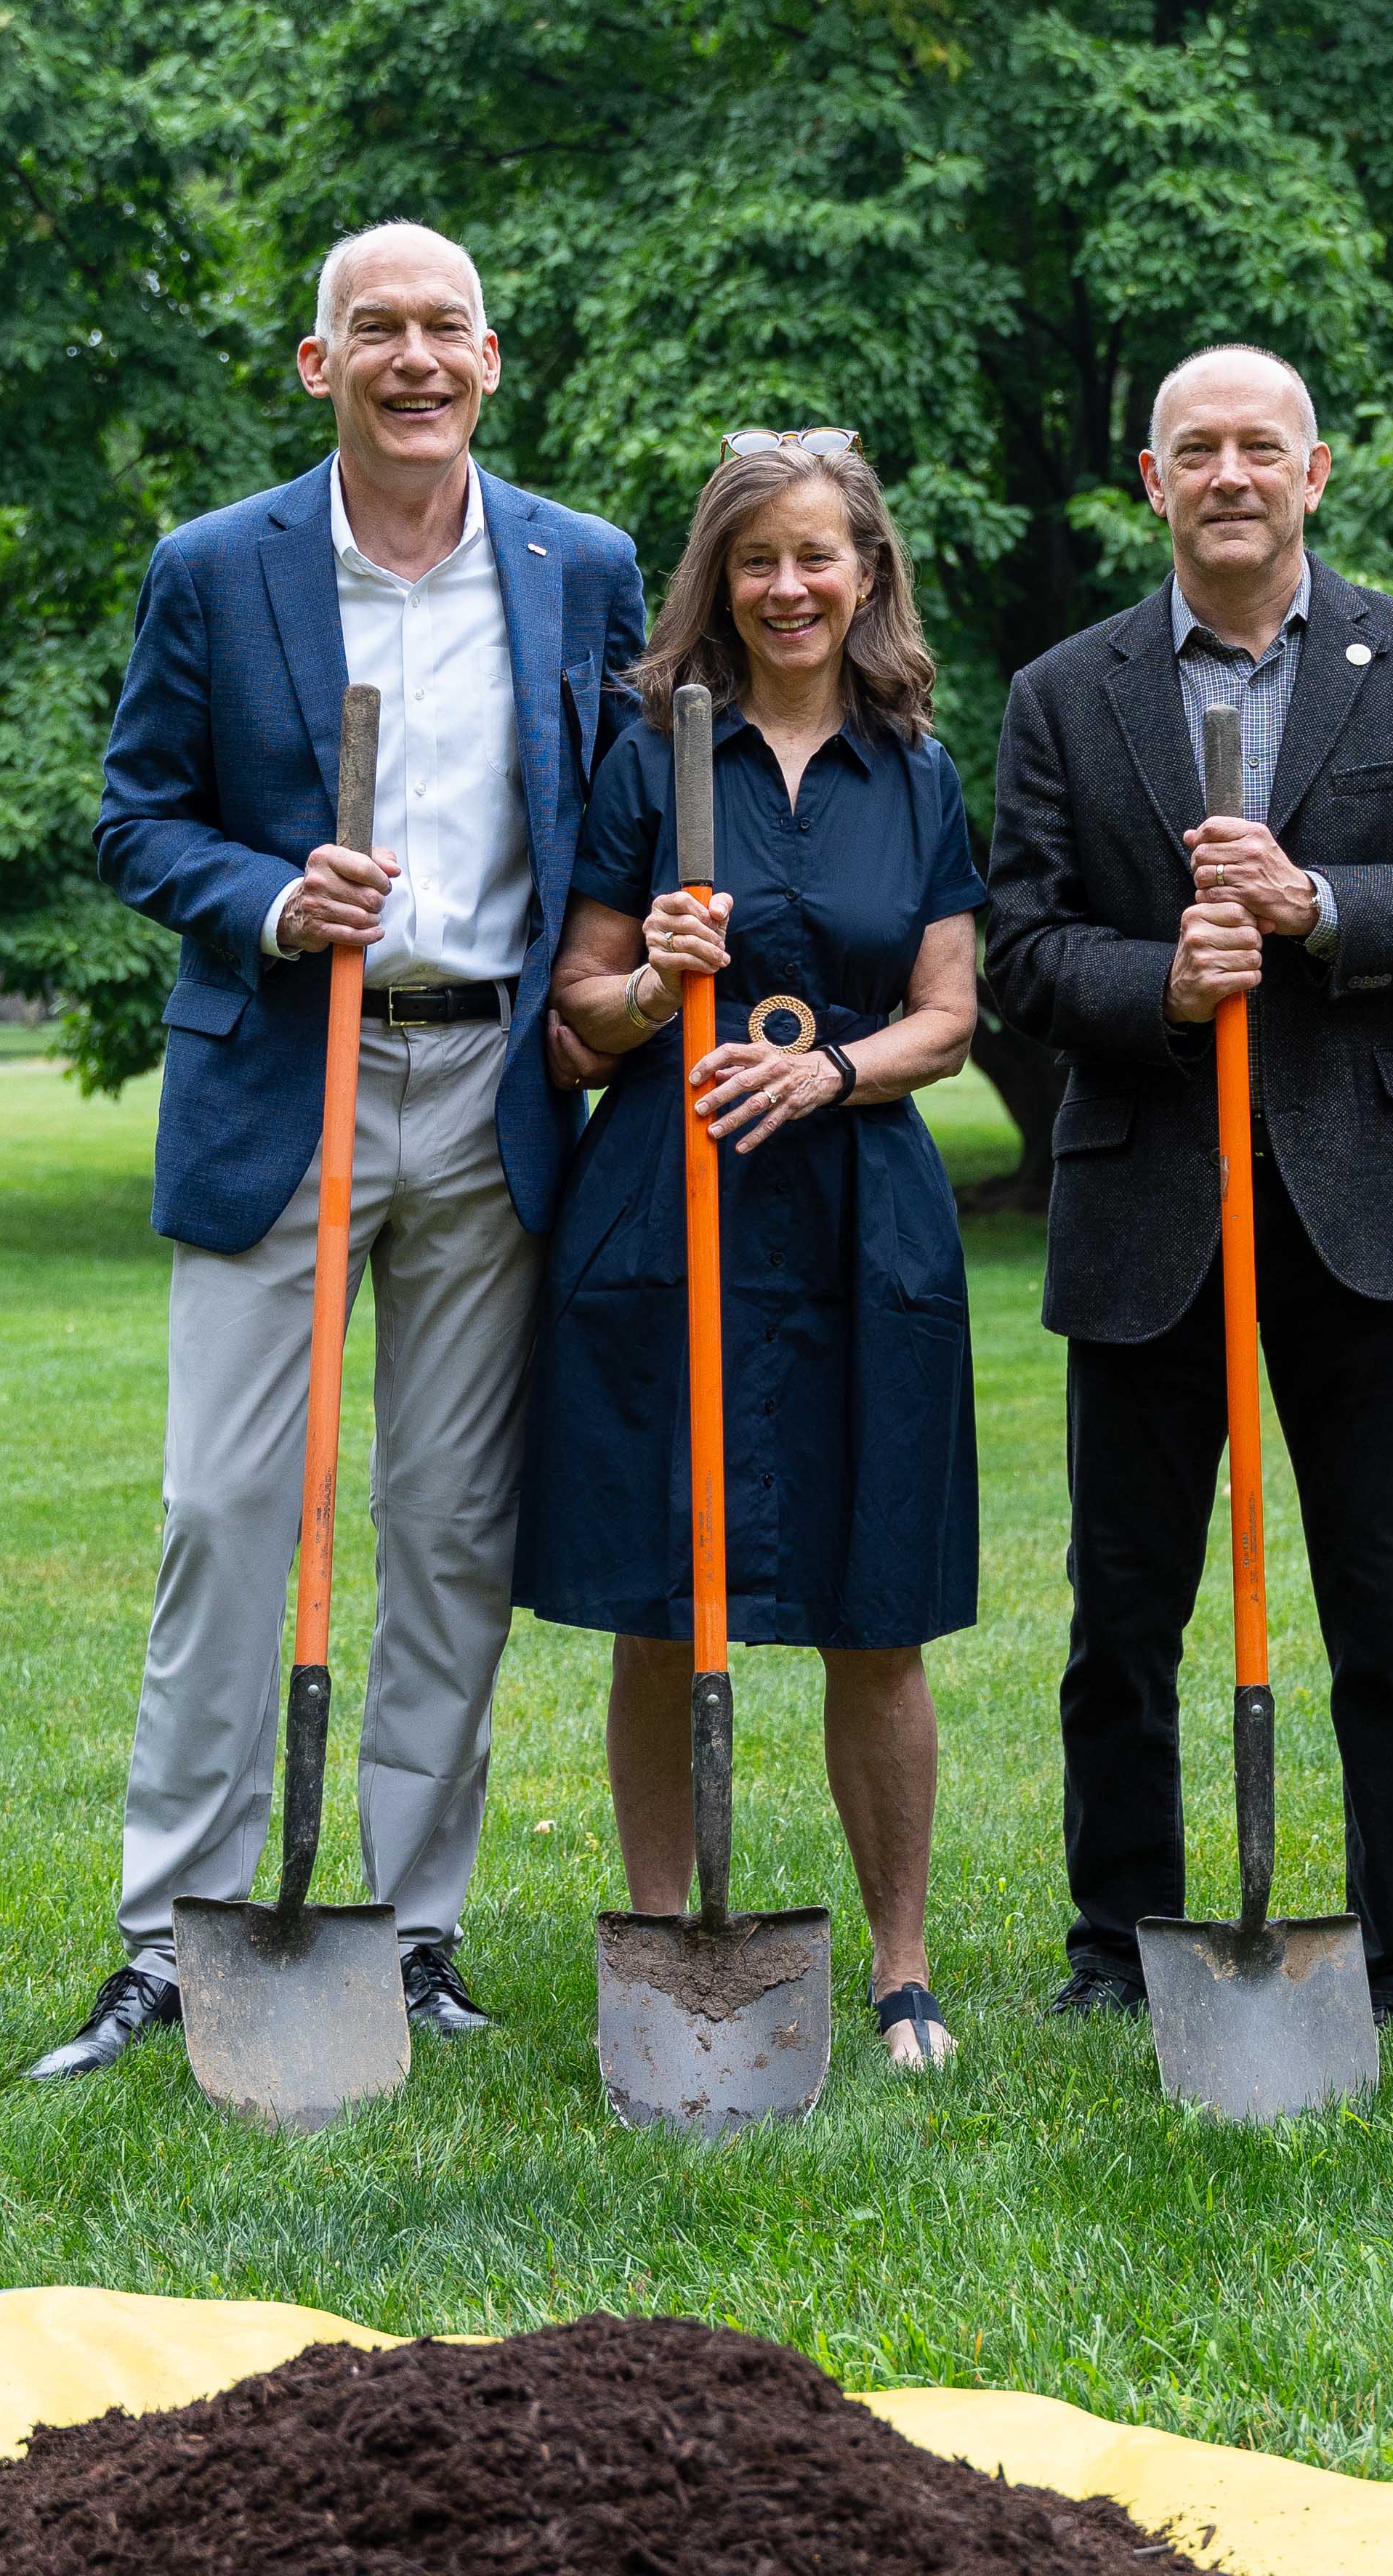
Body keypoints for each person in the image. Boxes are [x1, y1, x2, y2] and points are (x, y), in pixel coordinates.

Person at [31, 221, 646, 2082]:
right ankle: (169, 1935)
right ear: (320, 366)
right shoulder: (217, 569)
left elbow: (613, 817)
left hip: (492, 1086)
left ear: (488, 354)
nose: (411, 358)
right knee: (226, 1511)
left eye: (442, 327)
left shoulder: (581, 566)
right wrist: (271, 896)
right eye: (372, 329)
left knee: (450, 1528)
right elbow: (139, 820)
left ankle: (413, 1925)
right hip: (280, 1073)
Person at [985, 344, 1393, 2024]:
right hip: (1149, 1190)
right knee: (1123, 1612)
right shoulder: (1063, 693)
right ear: (1150, 482)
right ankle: (1118, 1941)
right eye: (1194, 449)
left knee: (1388, 1608)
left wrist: (1318, 903)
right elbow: (1019, 945)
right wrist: (1155, 982)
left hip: (1361, 1200)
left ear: (1313, 473)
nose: (1228, 473)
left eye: (1260, 447)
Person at [518, 432, 987, 2074]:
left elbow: (949, 1013)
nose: (789, 586)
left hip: (861, 1216)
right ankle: (674, 1936)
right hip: (672, 1200)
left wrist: (828, 1068)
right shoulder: (649, 758)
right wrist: (654, 978)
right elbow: (574, 1022)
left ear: (867, 573)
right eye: (756, 559)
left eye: (819, 555)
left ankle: (903, 1967)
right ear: (718, 578)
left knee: (879, 1603)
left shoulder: (914, 768)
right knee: (668, 1590)